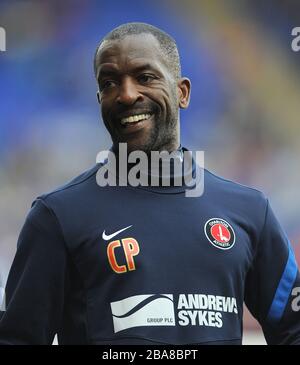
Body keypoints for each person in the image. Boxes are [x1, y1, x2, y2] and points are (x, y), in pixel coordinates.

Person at [0, 22, 299, 345]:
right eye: (110, 82)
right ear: (99, 98)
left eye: (145, 77)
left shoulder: (250, 211)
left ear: (182, 92)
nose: (126, 95)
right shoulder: (57, 217)